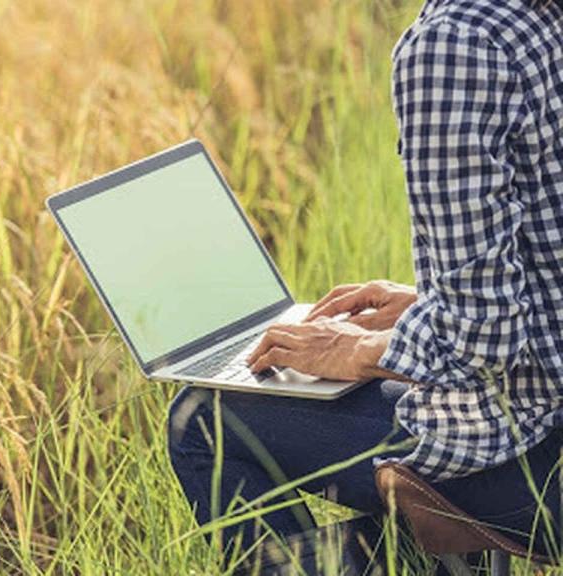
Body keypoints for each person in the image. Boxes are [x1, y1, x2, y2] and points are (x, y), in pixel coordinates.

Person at [168, 0, 563, 571]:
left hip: (542, 461)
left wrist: (363, 348)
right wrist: (427, 309)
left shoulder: (457, 45)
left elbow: (484, 340)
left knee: (204, 419)